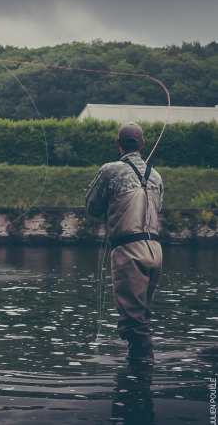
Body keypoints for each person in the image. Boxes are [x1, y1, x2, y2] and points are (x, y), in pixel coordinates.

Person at [85, 122, 164, 362]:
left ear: (118, 142)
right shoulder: (157, 175)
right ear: (141, 144)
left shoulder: (111, 170)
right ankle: (141, 366)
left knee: (133, 321)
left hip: (129, 251)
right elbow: (158, 207)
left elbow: (92, 207)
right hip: (156, 252)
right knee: (143, 314)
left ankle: (141, 373)